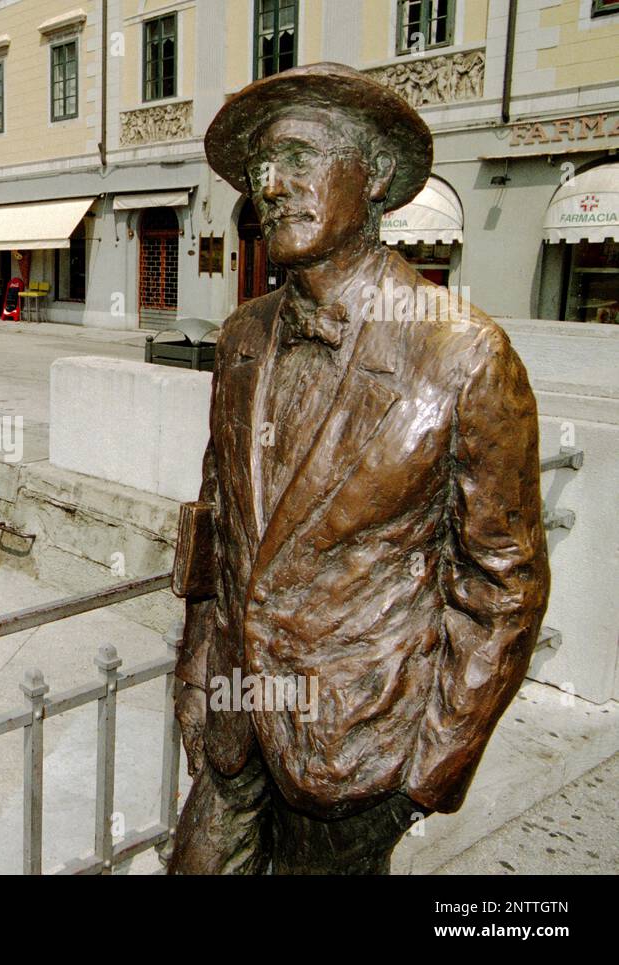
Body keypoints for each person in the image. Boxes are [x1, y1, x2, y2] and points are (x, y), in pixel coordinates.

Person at [166, 63, 549, 875]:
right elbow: (216, 523)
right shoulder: (241, 338)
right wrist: (197, 672)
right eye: (261, 168)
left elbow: (502, 587)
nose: (272, 184)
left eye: (300, 157)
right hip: (237, 718)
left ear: (374, 176)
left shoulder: (465, 356)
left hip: (359, 748)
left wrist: (425, 773)